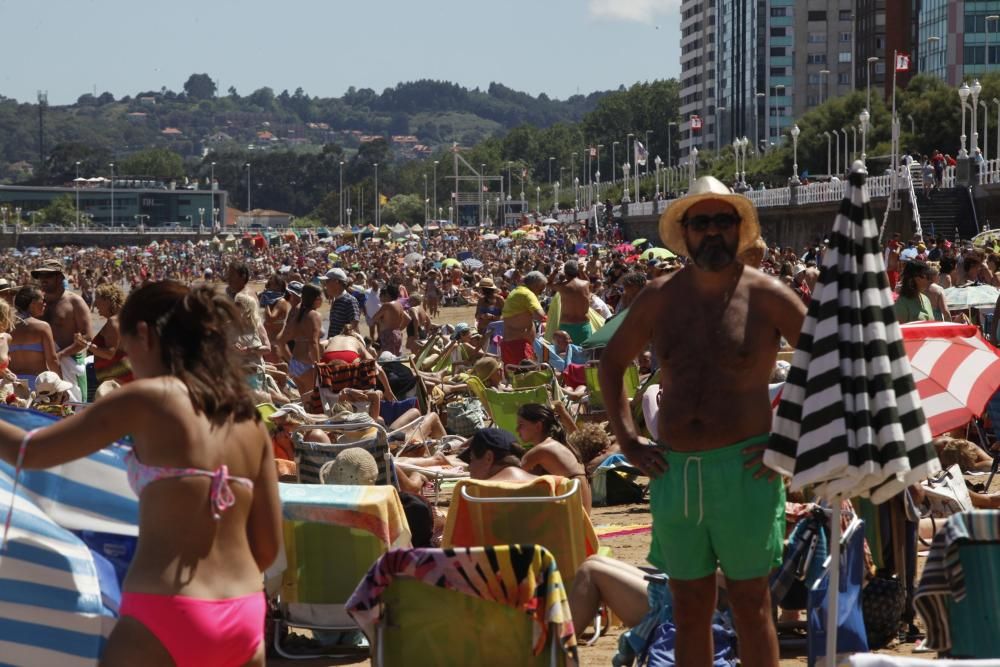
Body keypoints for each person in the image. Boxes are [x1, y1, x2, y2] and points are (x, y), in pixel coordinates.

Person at [0, 281, 282, 666]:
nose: (130, 363)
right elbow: (267, 549)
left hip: (169, 607)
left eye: (128, 351)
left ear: (145, 334)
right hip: (245, 613)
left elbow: (28, 452)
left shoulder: (150, 398)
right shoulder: (248, 420)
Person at [599, 175, 807, 667]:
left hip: (746, 469)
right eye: (701, 223)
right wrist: (628, 440)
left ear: (739, 229)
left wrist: (789, 440)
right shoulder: (658, 297)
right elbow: (611, 364)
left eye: (723, 221)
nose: (712, 232)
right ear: (685, 232)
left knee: (752, 606)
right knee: (689, 608)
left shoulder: (767, 294)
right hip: (676, 472)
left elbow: (828, 362)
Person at [516, 403, 592, 513]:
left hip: (573, 518)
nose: (517, 429)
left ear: (538, 426)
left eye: (521, 424)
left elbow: (511, 477)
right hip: (580, 518)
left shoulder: (541, 450)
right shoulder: (560, 445)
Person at [33, 259, 91, 402]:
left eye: (48, 275)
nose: (43, 279)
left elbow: (87, 337)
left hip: (68, 363)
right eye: (40, 276)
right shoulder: (36, 303)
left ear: (60, 277)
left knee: (73, 406)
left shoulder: (74, 302)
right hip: (42, 367)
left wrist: (59, 355)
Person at [277, 283, 324, 411]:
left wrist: (289, 358)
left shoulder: (298, 314)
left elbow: (281, 341)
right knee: (315, 403)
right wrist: (318, 365)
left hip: (295, 364)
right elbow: (313, 343)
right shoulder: (314, 315)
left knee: (305, 403)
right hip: (308, 364)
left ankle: (306, 428)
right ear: (317, 299)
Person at [9, 285, 58, 391]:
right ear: (32, 303)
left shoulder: (6, 327)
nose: (45, 303)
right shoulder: (42, 327)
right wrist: (60, 384)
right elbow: (52, 360)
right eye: (42, 300)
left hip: (12, 386)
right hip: (38, 387)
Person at [84, 283, 134, 385]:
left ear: (107, 301)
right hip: (126, 372)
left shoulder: (113, 321)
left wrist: (86, 344)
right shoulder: (125, 317)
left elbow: (109, 354)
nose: (95, 304)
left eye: (97, 299)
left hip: (116, 375)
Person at [500, 271, 547, 367]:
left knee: (514, 378)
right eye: (541, 289)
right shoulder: (528, 294)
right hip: (519, 346)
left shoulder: (517, 291)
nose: (541, 293)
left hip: (509, 344)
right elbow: (540, 315)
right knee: (528, 378)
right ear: (535, 285)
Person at [458, 427, 537, 483]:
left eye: (471, 458)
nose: (469, 467)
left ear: (488, 458)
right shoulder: (545, 484)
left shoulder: (473, 495)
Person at [552, 260, 593, 345]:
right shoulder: (585, 284)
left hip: (566, 326)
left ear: (565, 272)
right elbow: (588, 281)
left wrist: (555, 271)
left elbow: (548, 283)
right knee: (584, 355)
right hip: (583, 326)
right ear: (577, 271)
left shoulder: (562, 286)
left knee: (565, 355)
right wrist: (581, 271)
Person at [371, 283, 410, 356]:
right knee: (396, 357)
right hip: (397, 333)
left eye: (383, 294)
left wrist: (381, 321)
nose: (381, 295)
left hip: (387, 334)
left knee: (387, 359)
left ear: (388, 294)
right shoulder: (399, 305)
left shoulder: (387, 305)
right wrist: (399, 328)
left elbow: (374, 318)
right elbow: (408, 318)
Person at [322, 268, 359, 337]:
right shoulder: (336, 300)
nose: (325, 285)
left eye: (327, 281)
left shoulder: (350, 300)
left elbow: (354, 327)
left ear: (336, 282)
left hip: (343, 345)